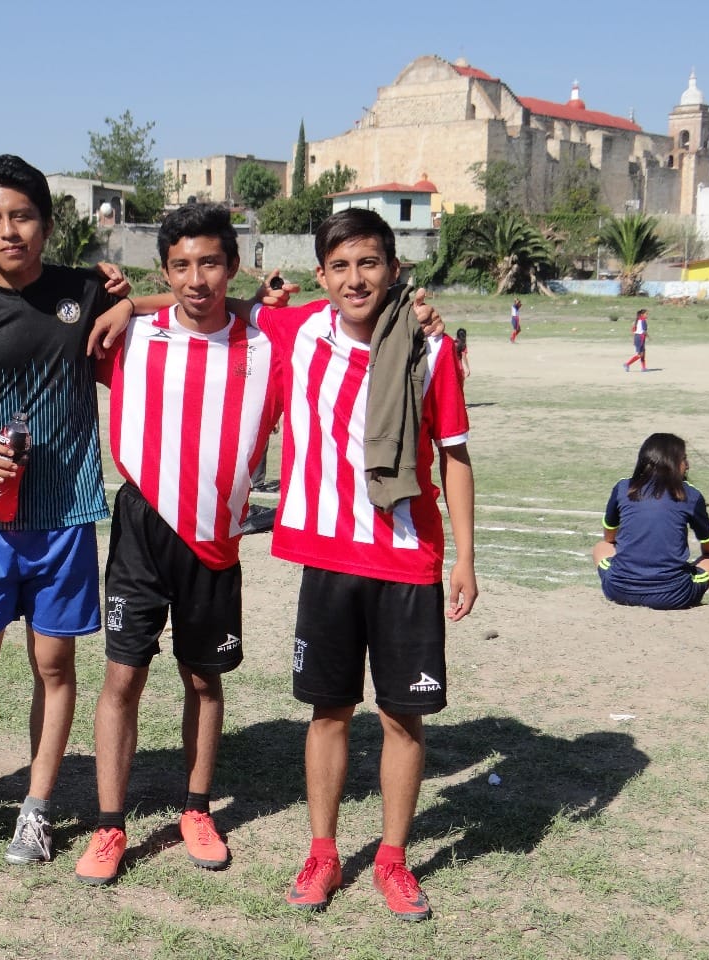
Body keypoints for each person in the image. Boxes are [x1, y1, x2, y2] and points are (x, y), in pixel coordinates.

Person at [254, 208, 476, 920]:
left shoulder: (430, 350)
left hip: (409, 558)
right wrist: (127, 300)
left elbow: (455, 455)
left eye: (370, 263)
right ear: (322, 274)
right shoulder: (296, 330)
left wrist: (466, 557)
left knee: (405, 717)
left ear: (394, 269)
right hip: (328, 557)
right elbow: (205, 301)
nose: (356, 278)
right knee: (329, 712)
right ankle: (322, 852)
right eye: (341, 265)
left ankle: (391, 858)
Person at [0, 154, 141, 866]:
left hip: (64, 517)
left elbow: (175, 303)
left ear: (46, 223)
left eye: (21, 216)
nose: (8, 231)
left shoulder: (84, 289)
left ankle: (38, 808)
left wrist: (129, 302)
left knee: (53, 665)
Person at [73, 204, 284, 885]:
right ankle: (110, 826)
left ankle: (196, 809)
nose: (197, 280)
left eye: (211, 263)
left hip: (216, 536)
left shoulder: (267, 347)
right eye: (181, 266)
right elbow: (59, 305)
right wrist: (132, 301)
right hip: (141, 528)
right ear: (164, 270)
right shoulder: (130, 335)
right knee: (122, 678)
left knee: (203, 678)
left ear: (235, 266)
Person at [591, 432, 709, 610]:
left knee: (601, 547)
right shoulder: (691, 494)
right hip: (672, 595)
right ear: (672, 462)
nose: (688, 465)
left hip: (618, 590)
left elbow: (609, 537)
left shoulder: (623, 487)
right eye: (684, 459)